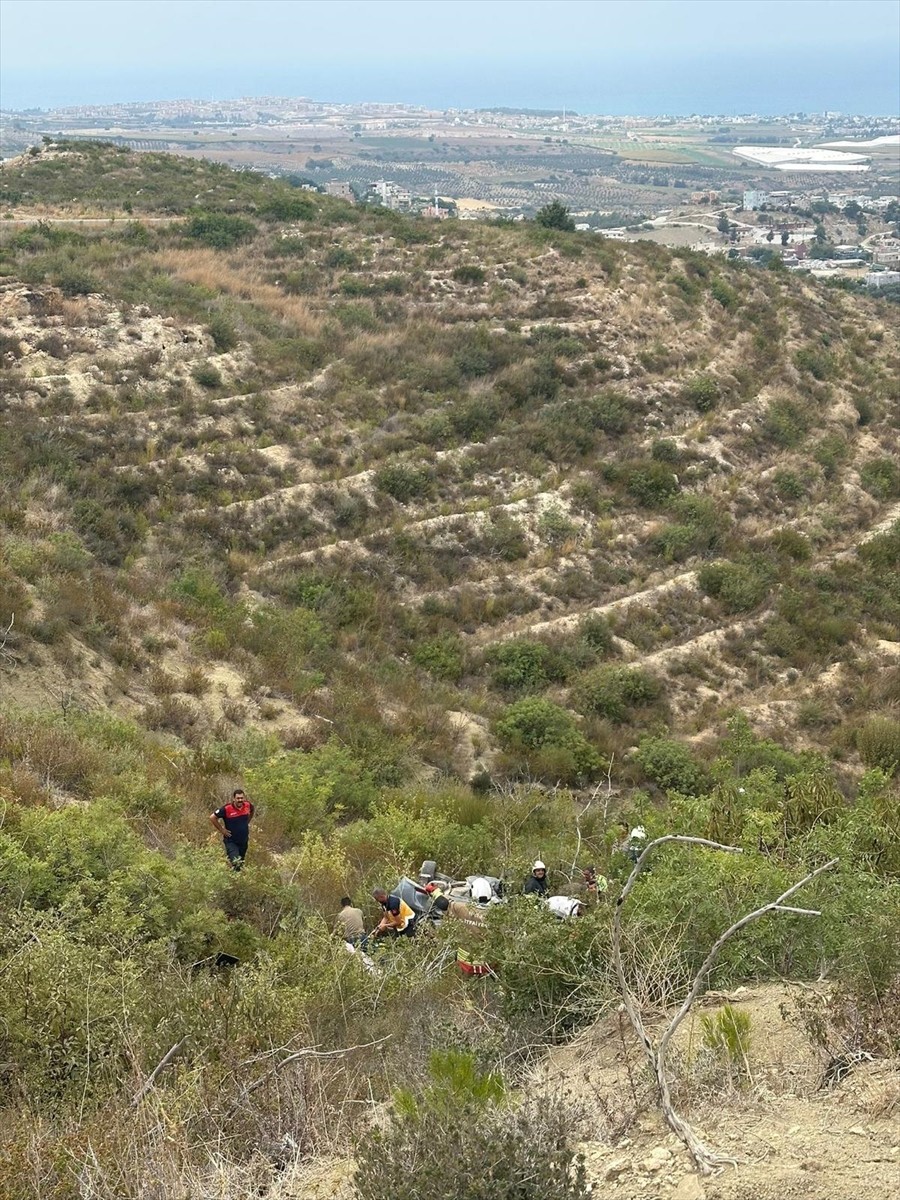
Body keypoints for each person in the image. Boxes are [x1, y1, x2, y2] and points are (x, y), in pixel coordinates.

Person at [210, 788, 254, 870]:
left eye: (242, 798)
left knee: (240, 863)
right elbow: (212, 817)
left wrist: (247, 822)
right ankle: (234, 876)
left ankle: (235, 879)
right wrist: (222, 830)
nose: (240, 800)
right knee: (236, 862)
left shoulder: (247, 805)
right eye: (238, 798)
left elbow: (252, 810)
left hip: (243, 841)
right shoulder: (227, 808)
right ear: (234, 799)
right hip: (231, 841)